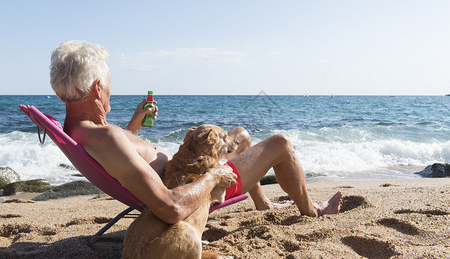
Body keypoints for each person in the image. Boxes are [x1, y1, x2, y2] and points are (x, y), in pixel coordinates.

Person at [50, 40, 342, 224]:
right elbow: (171, 208)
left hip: (185, 171)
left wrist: (135, 124)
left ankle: (262, 203)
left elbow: (121, 161)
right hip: (192, 186)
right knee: (280, 143)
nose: (112, 88)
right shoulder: (104, 137)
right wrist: (214, 175)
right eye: (110, 81)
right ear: (98, 88)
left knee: (240, 134)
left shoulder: (82, 130)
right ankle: (312, 210)